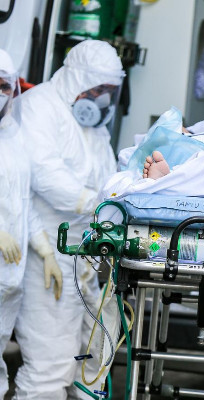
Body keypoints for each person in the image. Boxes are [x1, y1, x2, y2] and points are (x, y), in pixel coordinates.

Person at [12, 40, 124, 400]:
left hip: (84, 255)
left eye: (110, 91)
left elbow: (106, 178)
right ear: (78, 79)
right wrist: (94, 203)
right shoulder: (39, 106)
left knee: (94, 357)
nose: (102, 99)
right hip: (45, 253)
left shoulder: (94, 127)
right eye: (98, 88)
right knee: (51, 364)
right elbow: (44, 173)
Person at [0, 49, 62, 399]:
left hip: (9, 280)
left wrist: (45, 252)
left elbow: (25, 206)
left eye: (4, 86)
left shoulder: (14, 139)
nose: (0, 93)